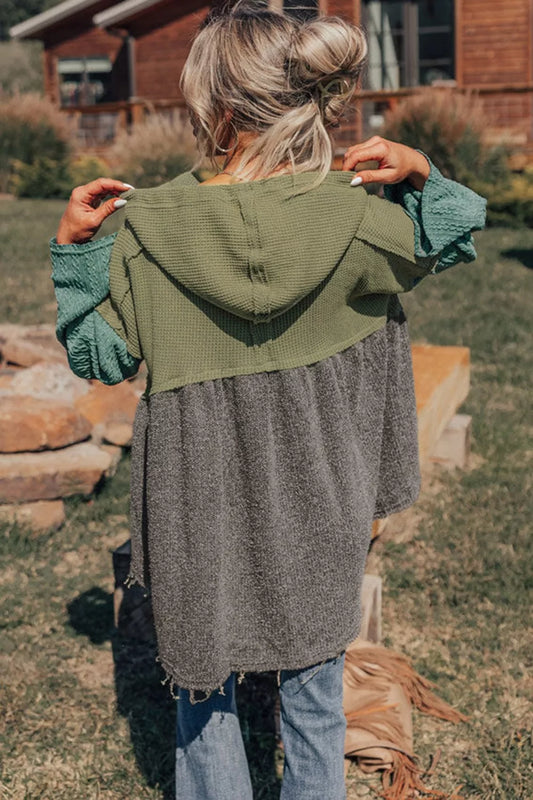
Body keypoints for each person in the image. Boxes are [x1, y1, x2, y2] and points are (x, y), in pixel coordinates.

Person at [49, 3, 486, 798]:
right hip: (324, 499)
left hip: (196, 508)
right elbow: (453, 230)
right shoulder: (357, 215)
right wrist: (419, 169)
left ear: (213, 106)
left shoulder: (144, 234)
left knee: (202, 691)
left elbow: (98, 355)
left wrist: (77, 256)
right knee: (315, 688)